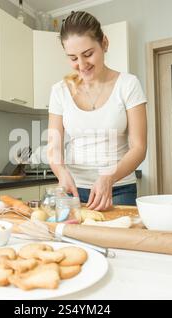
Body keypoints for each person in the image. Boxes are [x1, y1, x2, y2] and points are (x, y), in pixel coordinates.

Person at [46, 11, 147, 211]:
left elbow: (139, 147)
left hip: (118, 188)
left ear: (105, 43)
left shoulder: (128, 85)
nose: (82, 65)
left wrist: (108, 177)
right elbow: (54, 149)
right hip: (74, 191)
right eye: (73, 58)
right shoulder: (59, 91)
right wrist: (61, 173)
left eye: (88, 54)